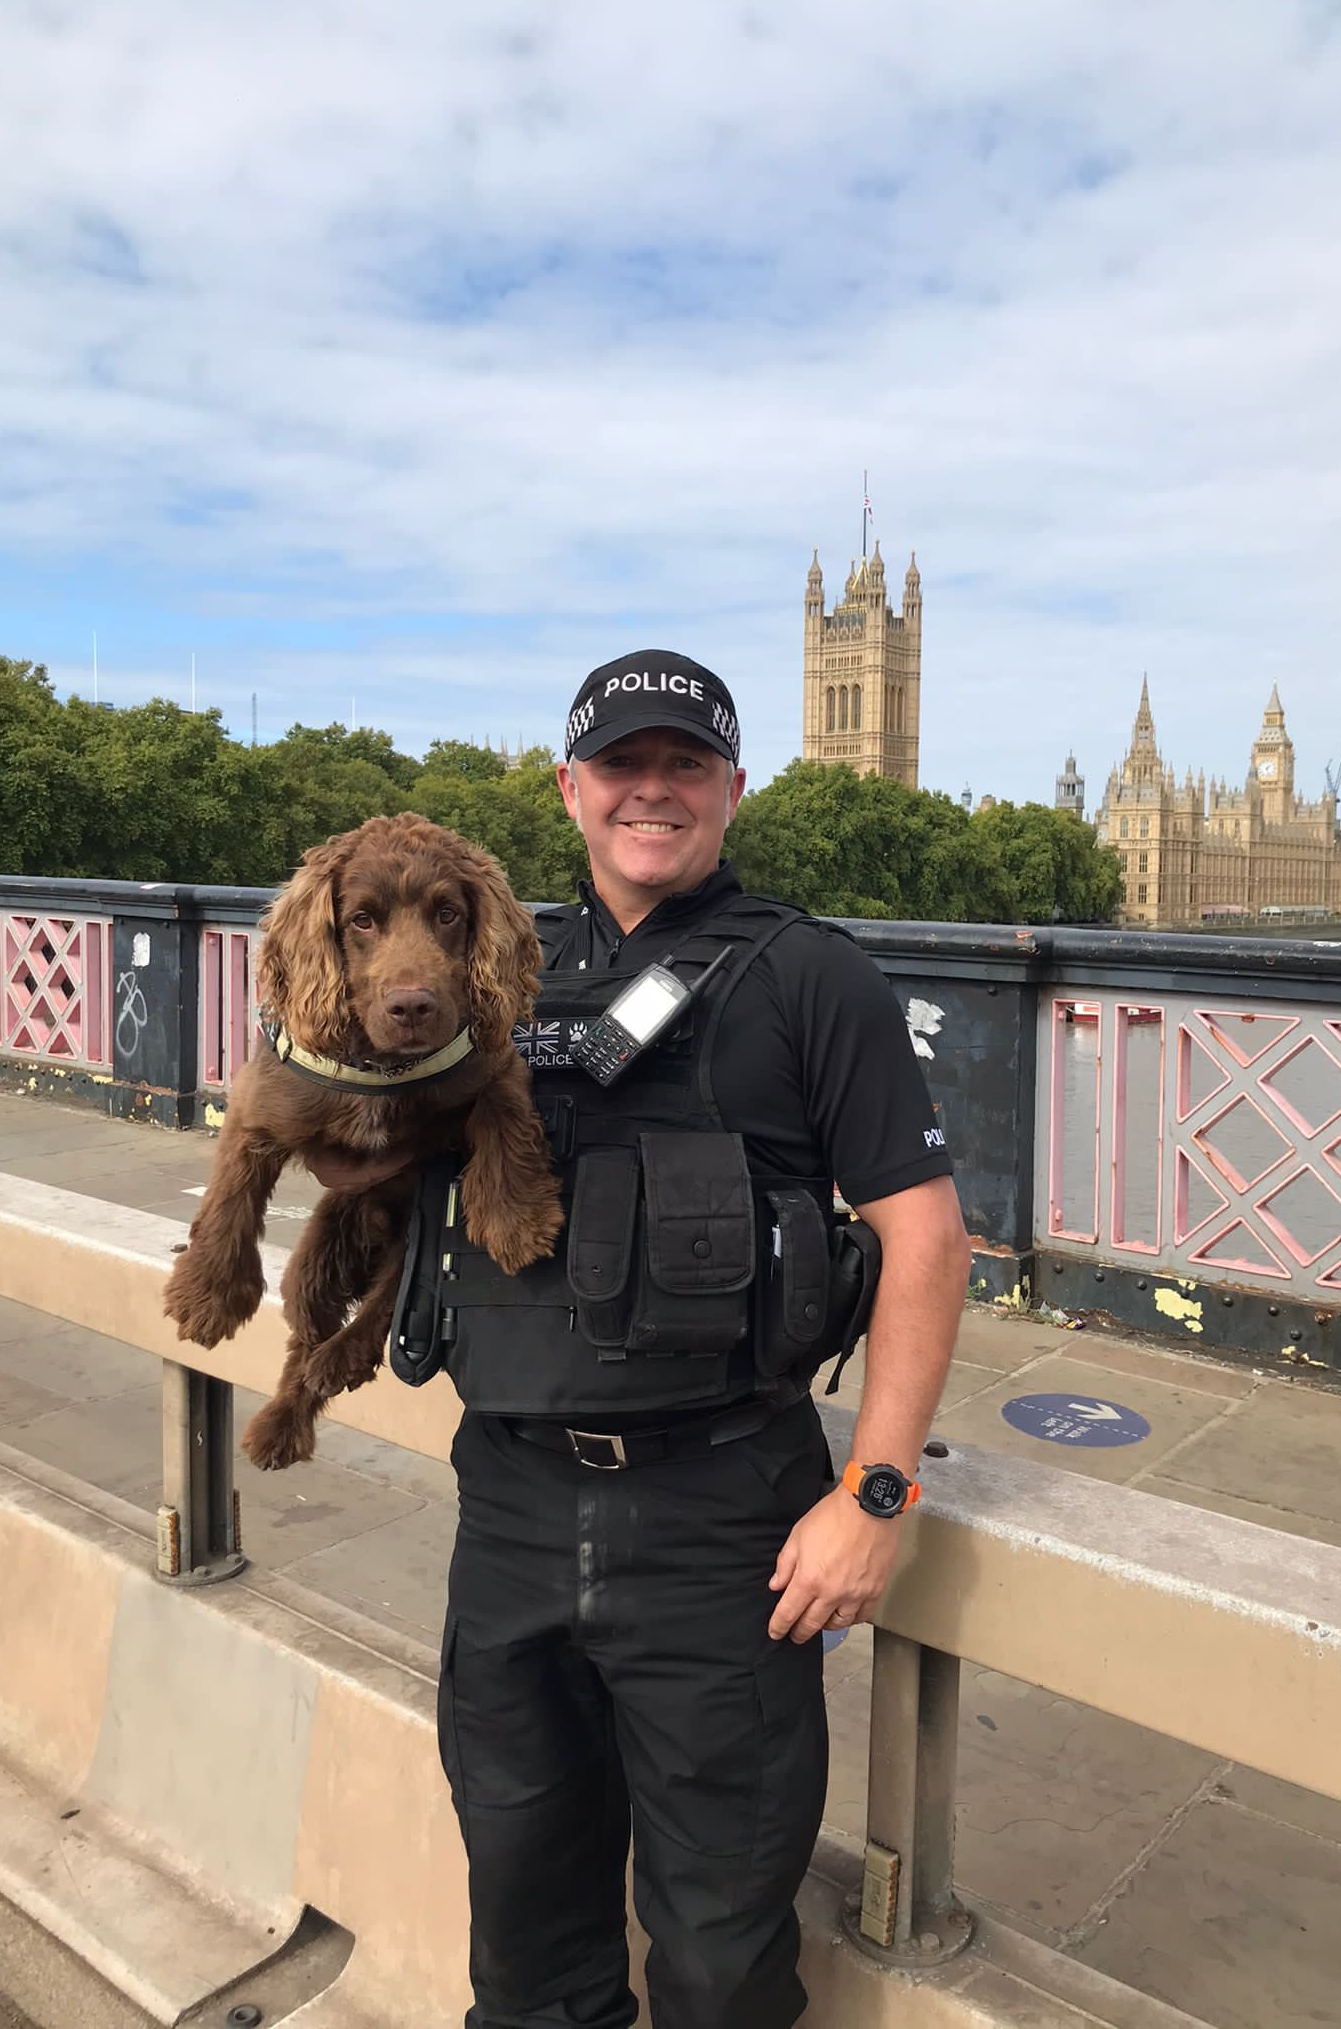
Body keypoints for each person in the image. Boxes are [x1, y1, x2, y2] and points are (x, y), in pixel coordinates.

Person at [316, 651, 970, 2029]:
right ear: (571, 788)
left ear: (736, 788)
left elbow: (926, 1240)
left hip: (722, 1523)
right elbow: (349, 1143)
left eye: (686, 764)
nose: (652, 792)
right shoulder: (485, 971)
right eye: (622, 765)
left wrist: (877, 1492)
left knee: (722, 1964)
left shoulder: (813, 977)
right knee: (525, 1945)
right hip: (510, 1506)